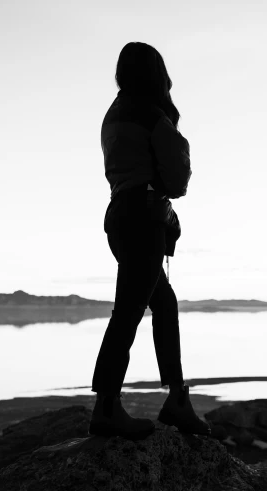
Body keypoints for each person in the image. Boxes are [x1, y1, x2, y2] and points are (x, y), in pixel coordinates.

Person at [88, 42, 211, 441]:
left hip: (120, 215)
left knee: (163, 303)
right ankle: (106, 408)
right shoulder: (153, 115)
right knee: (127, 312)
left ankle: (177, 397)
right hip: (144, 218)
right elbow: (176, 181)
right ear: (157, 75)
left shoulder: (113, 115)